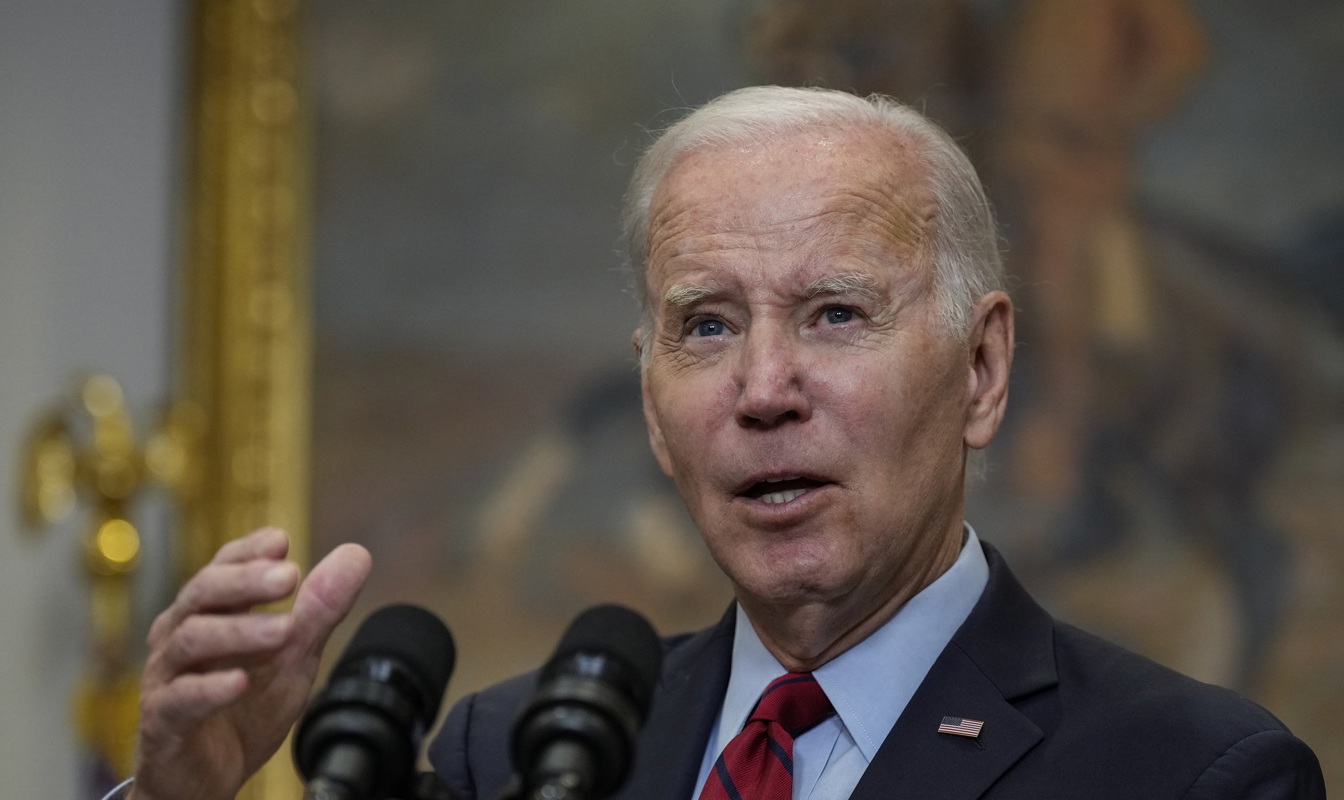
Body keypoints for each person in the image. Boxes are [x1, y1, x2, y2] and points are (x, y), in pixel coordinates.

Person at [110, 87, 1324, 800]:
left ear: (981, 367)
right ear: (649, 401)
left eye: (834, 313)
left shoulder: (1192, 776)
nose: (762, 388)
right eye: (704, 324)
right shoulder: (516, 757)